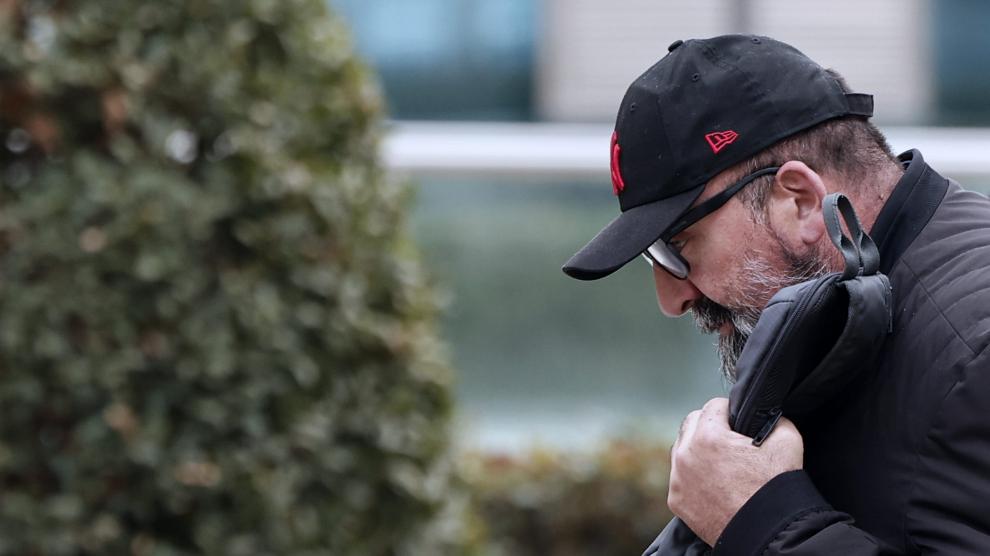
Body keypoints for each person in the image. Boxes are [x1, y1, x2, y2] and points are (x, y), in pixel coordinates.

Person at [562, 34, 990, 554]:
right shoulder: (838, 322)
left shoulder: (974, 352)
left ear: (800, 201)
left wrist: (763, 521)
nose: (670, 300)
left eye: (679, 245)